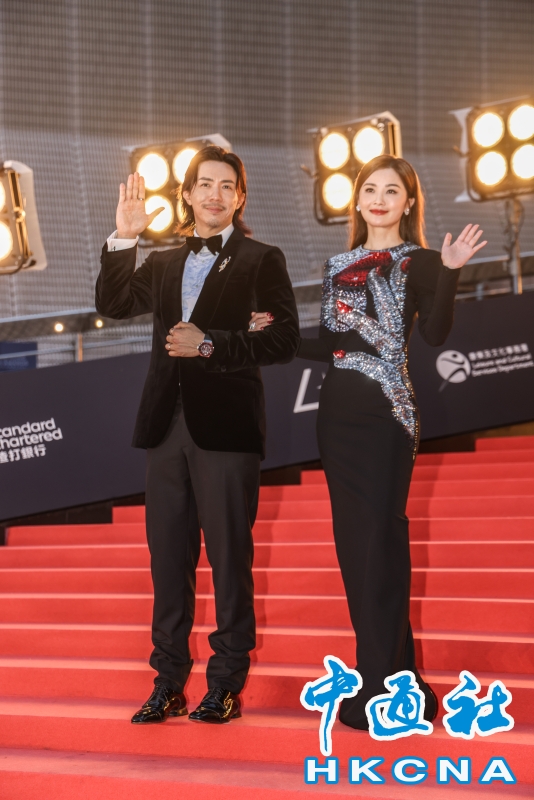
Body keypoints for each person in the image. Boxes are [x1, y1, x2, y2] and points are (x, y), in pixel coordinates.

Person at [250, 154, 486, 730]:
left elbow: (435, 334)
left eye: (392, 191)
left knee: (382, 541)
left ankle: (387, 684)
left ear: (409, 202)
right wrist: (275, 336)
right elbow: (334, 343)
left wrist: (451, 270)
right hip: (338, 417)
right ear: (356, 200)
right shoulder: (338, 264)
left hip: (388, 415)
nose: (379, 199)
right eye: (370, 189)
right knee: (356, 548)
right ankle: (390, 678)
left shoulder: (422, 260)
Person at [95, 145, 299, 725]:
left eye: (226, 185)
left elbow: (283, 340)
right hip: (165, 427)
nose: (215, 194)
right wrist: (125, 237)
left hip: (227, 429)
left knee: (230, 557)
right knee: (168, 560)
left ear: (240, 197)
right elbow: (112, 303)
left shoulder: (262, 258)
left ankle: (226, 683)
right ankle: (168, 682)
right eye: (204, 184)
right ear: (186, 194)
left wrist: (209, 343)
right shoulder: (162, 262)